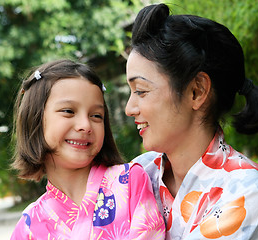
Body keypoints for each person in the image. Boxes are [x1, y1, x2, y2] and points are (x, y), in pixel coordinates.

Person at [125, 3, 258, 240]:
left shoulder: (247, 190)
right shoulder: (141, 172)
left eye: (141, 91)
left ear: (197, 92)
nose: (129, 109)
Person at [10, 59, 165, 239]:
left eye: (96, 116)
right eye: (68, 111)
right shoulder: (28, 226)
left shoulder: (130, 181)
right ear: (34, 119)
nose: (85, 125)